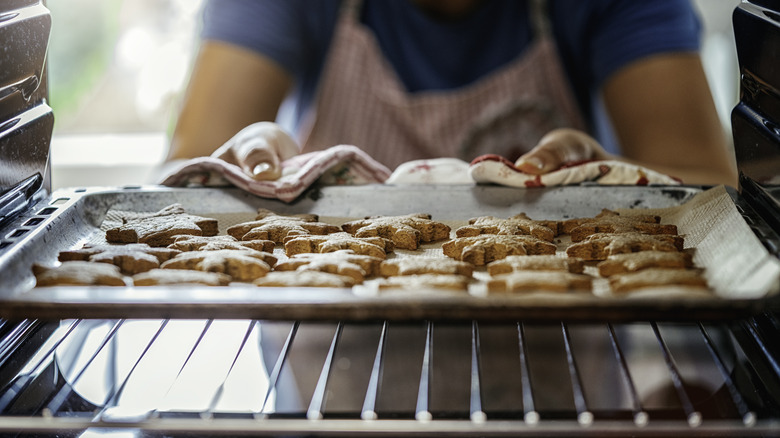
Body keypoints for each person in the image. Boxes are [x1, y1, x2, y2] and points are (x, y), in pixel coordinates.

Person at [168, 0, 738, 187]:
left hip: (563, 379)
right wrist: (243, 166)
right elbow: (181, 177)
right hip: (325, 377)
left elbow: (708, 192)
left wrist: (606, 185)